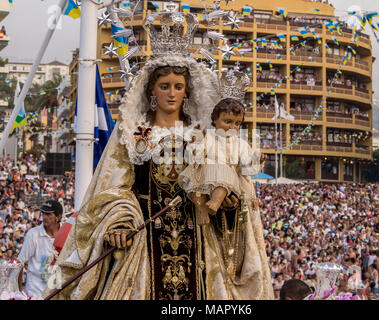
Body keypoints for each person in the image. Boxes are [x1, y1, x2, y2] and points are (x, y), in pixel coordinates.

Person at [46, 11, 273, 300]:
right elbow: (112, 188)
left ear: (187, 90)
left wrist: (229, 203)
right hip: (145, 243)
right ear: (151, 90)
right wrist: (120, 220)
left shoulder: (204, 135)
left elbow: (229, 182)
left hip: (198, 243)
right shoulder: (132, 133)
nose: (172, 93)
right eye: (164, 86)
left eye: (178, 87)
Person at [178, 97, 264, 224]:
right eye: (227, 121)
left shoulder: (241, 144)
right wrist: (197, 142)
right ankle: (202, 210)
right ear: (215, 120)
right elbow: (194, 156)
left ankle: (215, 202)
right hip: (205, 176)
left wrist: (256, 160)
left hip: (227, 180)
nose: (232, 127)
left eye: (237, 123)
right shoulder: (208, 136)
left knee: (225, 175)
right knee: (195, 187)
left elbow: (246, 166)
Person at [17, 200, 63, 298]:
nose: (44, 217)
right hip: (35, 293)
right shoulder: (33, 234)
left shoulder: (67, 234)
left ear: (58, 217)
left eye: (48, 214)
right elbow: (19, 263)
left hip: (58, 292)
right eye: (43, 214)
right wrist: (19, 292)